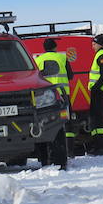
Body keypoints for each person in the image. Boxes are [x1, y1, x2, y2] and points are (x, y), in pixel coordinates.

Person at [33, 37, 71, 169]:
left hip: (45, 98)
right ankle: (69, 151)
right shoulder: (62, 58)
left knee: (45, 126)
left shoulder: (38, 60)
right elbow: (70, 75)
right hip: (62, 94)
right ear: (55, 47)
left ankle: (44, 157)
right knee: (65, 125)